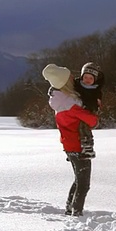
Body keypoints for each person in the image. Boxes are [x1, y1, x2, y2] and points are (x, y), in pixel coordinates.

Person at [42, 63, 98, 217]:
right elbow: (93, 121)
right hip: (79, 146)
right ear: (66, 82)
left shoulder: (59, 101)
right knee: (84, 184)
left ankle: (70, 209)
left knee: (78, 180)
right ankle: (76, 213)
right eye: (70, 77)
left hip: (69, 145)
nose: (74, 78)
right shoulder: (71, 104)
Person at [73, 62, 105, 160]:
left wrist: (95, 106)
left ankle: (88, 149)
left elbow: (98, 101)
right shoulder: (77, 84)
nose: (87, 80)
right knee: (74, 130)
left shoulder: (95, 90)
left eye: (91, 78)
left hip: (89, 111)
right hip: (78, 110)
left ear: (94, 80)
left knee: (84, 129)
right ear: (82, 76)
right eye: (86, 77)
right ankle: (76, 150)